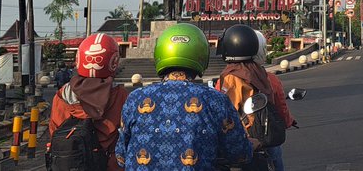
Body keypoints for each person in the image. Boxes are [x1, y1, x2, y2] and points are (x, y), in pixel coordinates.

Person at [117, 23, 253, 170]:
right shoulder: (215, 100)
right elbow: (240, 154)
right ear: (202, 55)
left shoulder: (136, 98)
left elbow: (121, 157)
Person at [48, 33, 130, 171]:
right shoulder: (120, 96)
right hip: (107, 164)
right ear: (113, 61)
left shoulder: (62, 95)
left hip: (70, 163)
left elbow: (54, 131)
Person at [216, 24, 281, 170]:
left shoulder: (233, 76)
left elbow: (228, 111)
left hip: (246, 136)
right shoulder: (258, 71)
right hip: (262, 132)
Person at [252, 30, 296, 171]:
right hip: (262, 135)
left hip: (235, 136)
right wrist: (288, 121)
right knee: (275, 154)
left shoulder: (225, 79)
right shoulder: (270, 79)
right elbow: (281, 108)